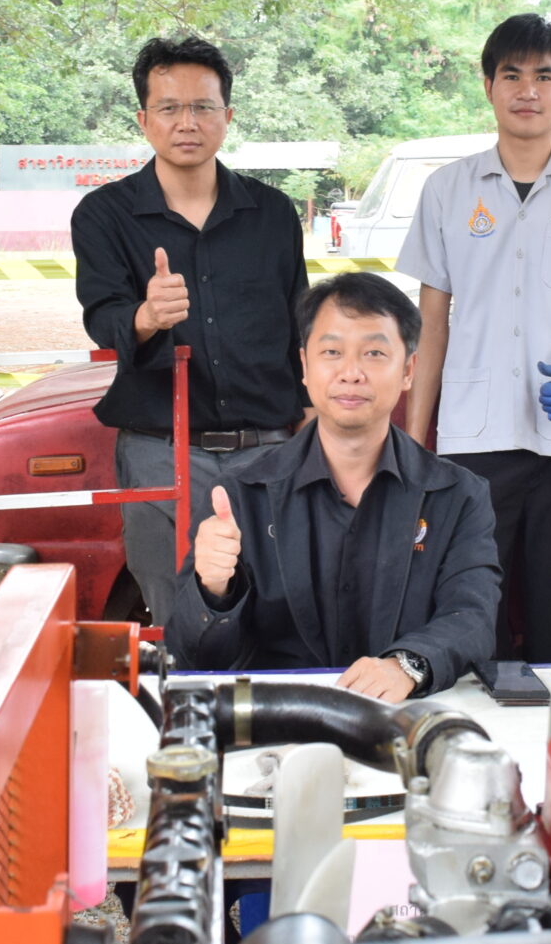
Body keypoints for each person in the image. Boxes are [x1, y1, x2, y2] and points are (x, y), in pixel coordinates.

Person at [399, 13, 551, 663]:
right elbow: (431, 323)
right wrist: (418, 442)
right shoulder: (447, 190)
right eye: (511, 74)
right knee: (470, 608)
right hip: (473, 439)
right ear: (488, 85)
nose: (528, 90)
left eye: (544, 75)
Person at [177, 271, 500, 700]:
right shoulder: (239, 496)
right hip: (280, 727)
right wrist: (212, 592)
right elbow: (193, 656)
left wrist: (408, 663)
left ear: (408, 370)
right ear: (305, 368)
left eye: (373, 353)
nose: (351, 373)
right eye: (332, 351)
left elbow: (473, 617)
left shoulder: (457, 496)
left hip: (405, 717)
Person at [74, 35, 307, 628]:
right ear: (144, 119)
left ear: (227, 117)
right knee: (179, 618)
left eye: (203, 107)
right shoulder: (104, 216)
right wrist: (145, 316)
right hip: (161, 449)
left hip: (270, 449)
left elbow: (298, 319)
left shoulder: (272, 214)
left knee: (280, 608)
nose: (188, 122)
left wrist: (309, 415)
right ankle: (182, 716)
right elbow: (101, 316)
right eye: (170, 107)